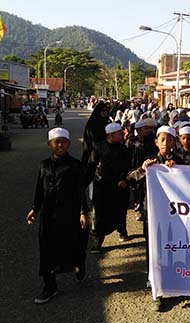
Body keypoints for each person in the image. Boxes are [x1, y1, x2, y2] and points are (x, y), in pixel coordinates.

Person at [27, 128, 89, 304]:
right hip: (48, 214)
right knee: (46, 248)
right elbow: (39, 189)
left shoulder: (75, 165)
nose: (60, 145)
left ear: (68, 144)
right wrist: (35, 208)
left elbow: (80, 191)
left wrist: (83, 212)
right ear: (50, 144)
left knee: (74, 242)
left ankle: (79, 263)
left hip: (69, 213)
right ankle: (50, 286)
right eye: (57, 142)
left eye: (63, 142)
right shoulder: (43, 165)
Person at [127, 125, 182, 312]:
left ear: (175, 142)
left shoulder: (180, 162)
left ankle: (175, 282)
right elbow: (130, 178)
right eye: (163, 140)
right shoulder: (149, 163)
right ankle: (156, 290)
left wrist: (178, 171)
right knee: (153, 250)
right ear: (156, 142)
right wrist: (143, 170)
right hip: (153, 216)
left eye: (170, 140)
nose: (166, 144)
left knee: (175, 248)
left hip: (177, 217)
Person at [87, 123, 131, 253]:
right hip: (102, 187)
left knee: (121, 210)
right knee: (100, 214)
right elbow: (91, 165)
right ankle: (98, 242)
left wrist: (124, 179)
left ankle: (122, 231)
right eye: (119, 133)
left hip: (119, 186)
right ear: (111, 135)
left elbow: (127, 166)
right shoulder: (98, 147)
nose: (122, 135)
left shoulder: (124, 149)